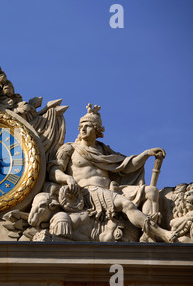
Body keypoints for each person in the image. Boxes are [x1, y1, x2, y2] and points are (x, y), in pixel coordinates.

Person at [48, 104, 177, 242]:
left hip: (111, 189)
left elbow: (126, 165)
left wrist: (145, 154)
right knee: (126, 204)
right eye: (81, 127)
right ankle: (162, 233)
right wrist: (68, 179)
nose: (83, 129)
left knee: (151, 191)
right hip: (88, 192)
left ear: (96, 129)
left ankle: (148, 235)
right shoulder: (70, 149)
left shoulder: (104, 150)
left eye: (87, 126)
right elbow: (53, 171)